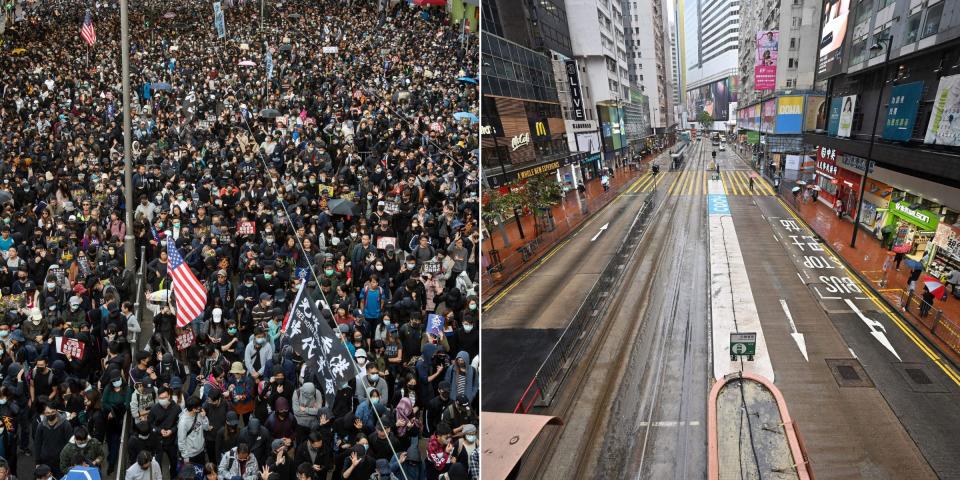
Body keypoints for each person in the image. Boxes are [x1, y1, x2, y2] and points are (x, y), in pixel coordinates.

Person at [178, 396, 211, 466]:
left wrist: (204, 417)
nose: (201, 407)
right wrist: (185, 457)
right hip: (191, 455)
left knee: (201, 472)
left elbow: (206, 428)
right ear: (194, 409)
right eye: (199, 406)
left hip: (201, 450)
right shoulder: (183, 422)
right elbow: (181, 441)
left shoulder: (199, 414)